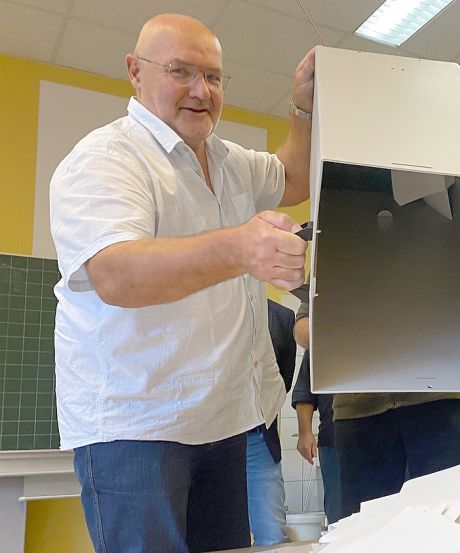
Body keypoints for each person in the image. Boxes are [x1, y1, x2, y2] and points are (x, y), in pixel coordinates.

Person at [49, 13, 315, 553]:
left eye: (213, 77)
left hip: (220, 423)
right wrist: (241, 248)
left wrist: (304, 108)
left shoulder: (228, 160)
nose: (201, 91)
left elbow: (294, 176)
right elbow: (117, 273)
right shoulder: (106, 158)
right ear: (135, 72)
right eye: (181, 72)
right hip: (136, 428)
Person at [294, 303, 460, 518]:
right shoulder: (330, 267)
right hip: (362, 407)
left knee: (449, 519)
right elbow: (302, 331)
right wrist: (346, 325)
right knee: (367, 526)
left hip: (440, 397)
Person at [246, 299, 298, 545]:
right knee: (218, 536)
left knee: (273, 536)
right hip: (212, 437)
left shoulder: (283, 317)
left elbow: (282, 382)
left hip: (259, 437)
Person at [292, 350, 342, 525]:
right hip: (335, 438)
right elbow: (305, 392)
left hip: (389, 433)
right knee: (340, 516)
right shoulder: (321, 336)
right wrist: (305, 432)